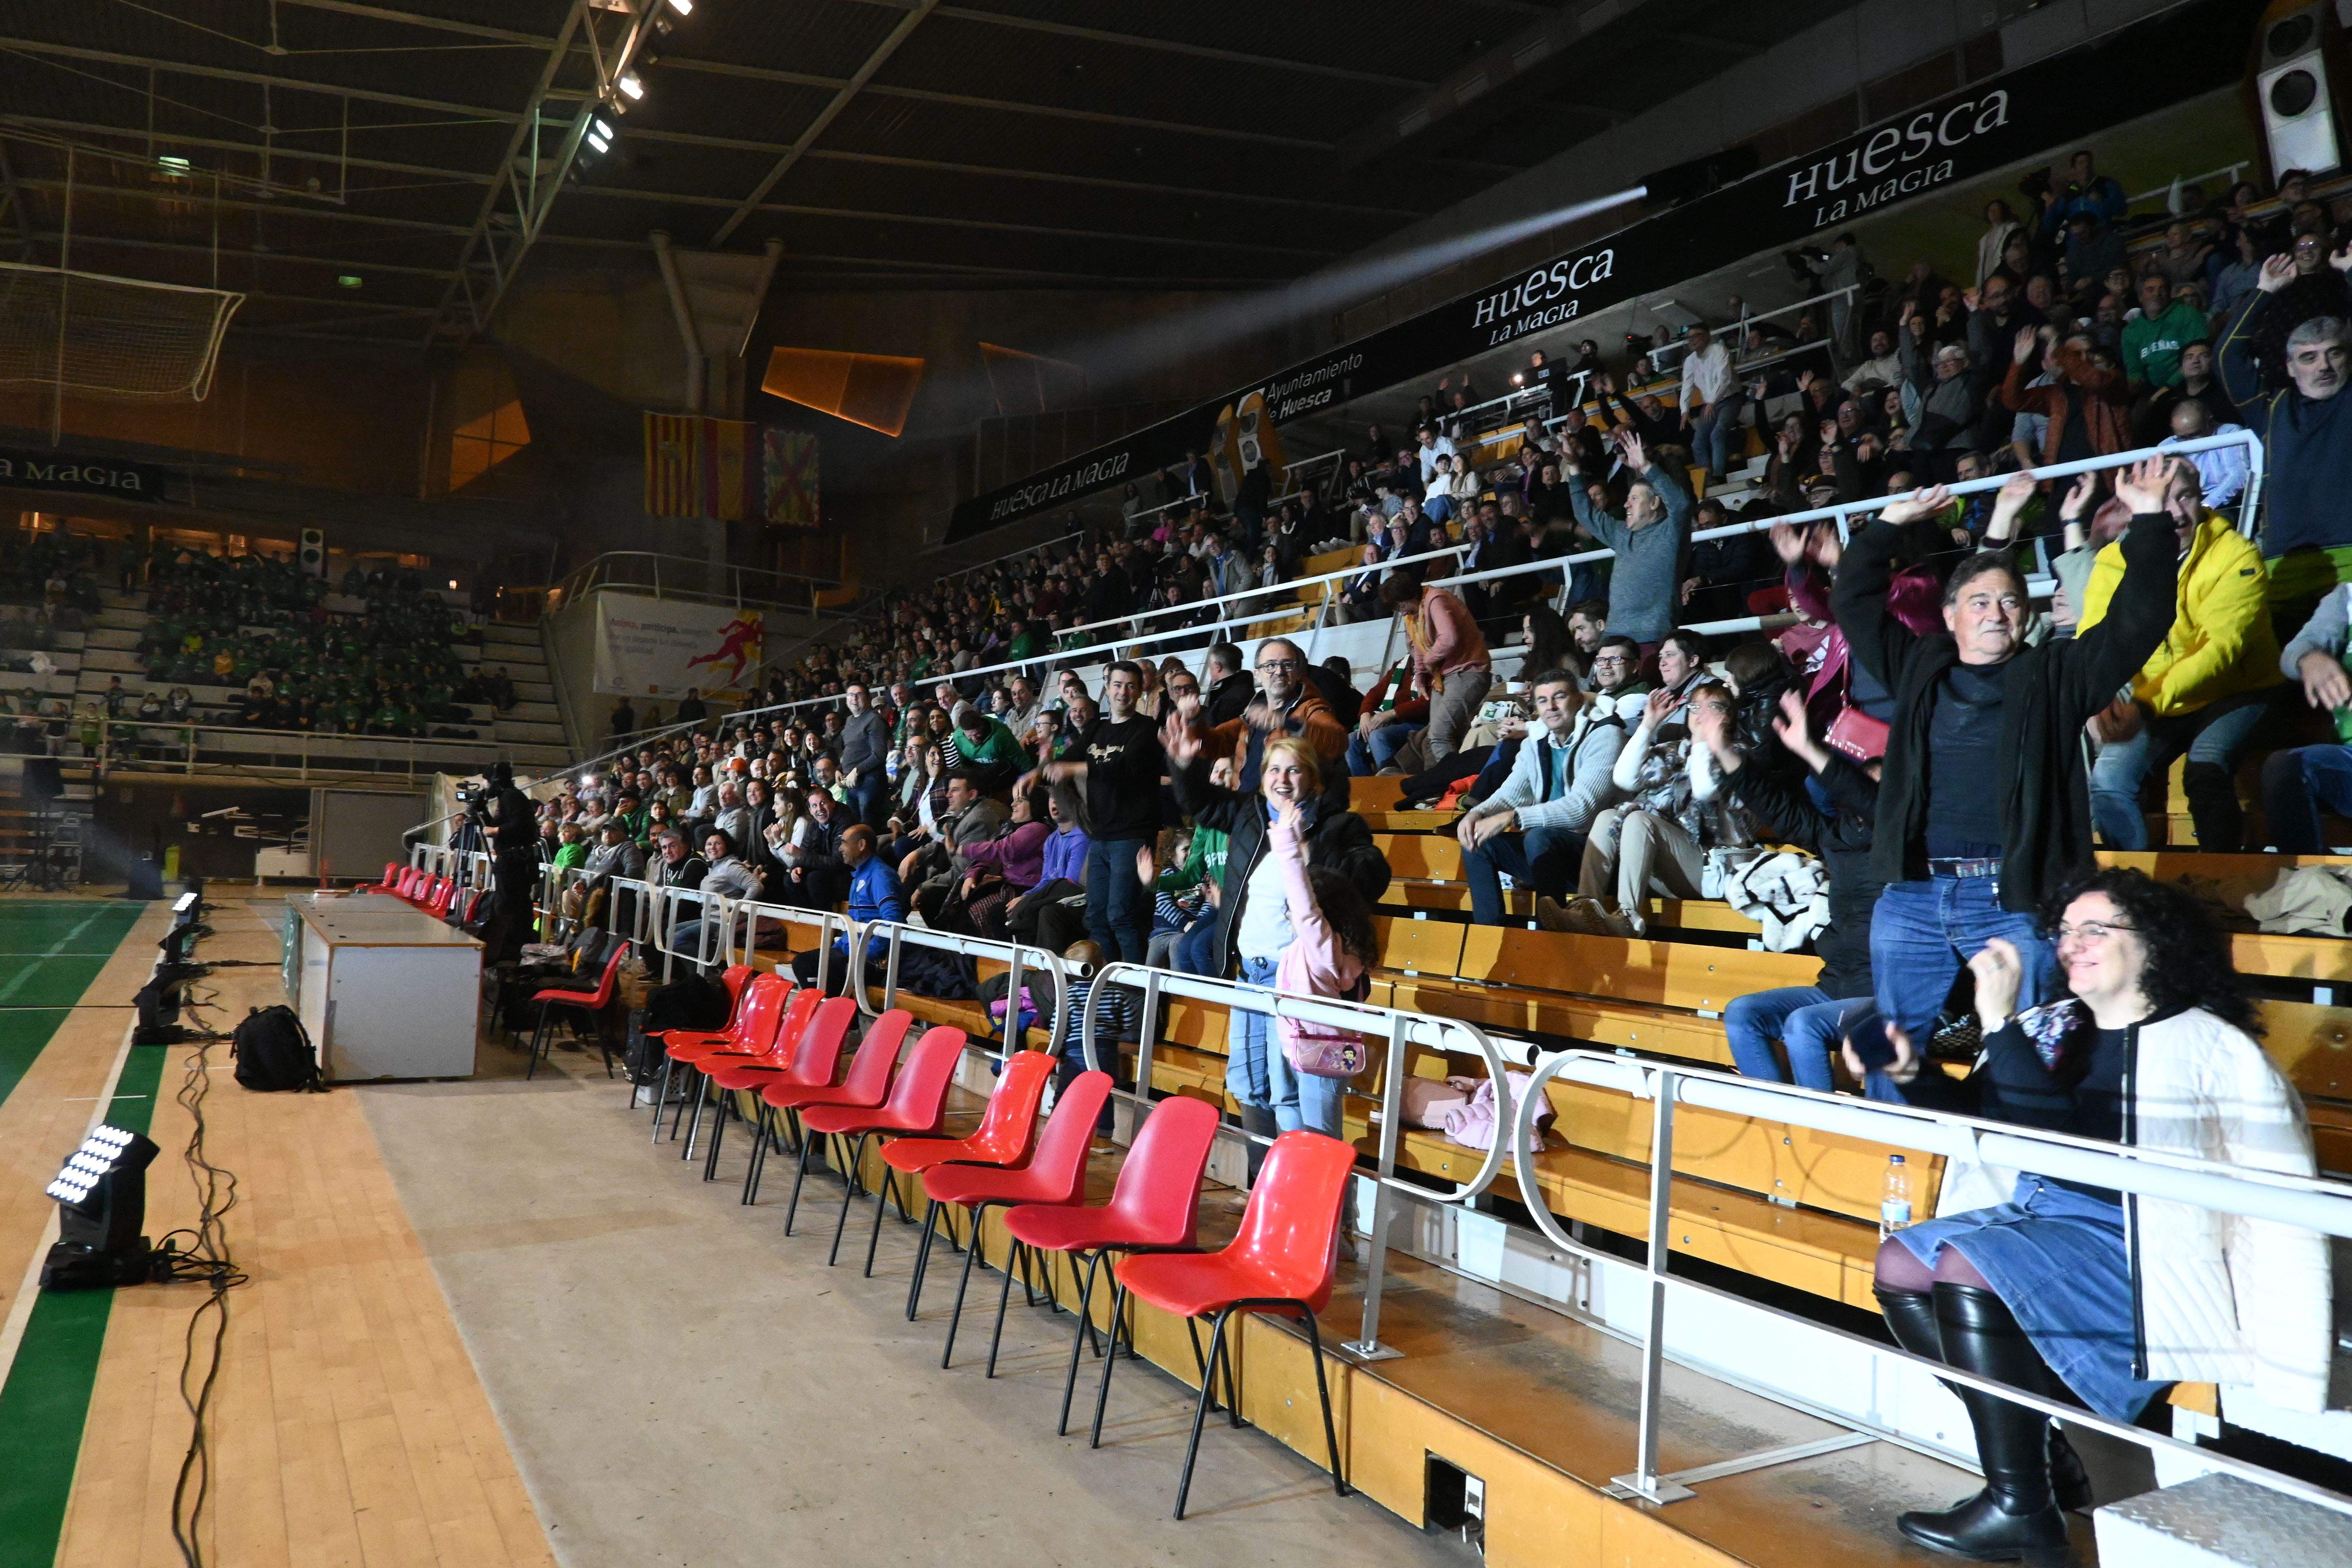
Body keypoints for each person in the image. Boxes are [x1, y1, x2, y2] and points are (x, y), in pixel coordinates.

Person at [1861, 868, 2330, 1565]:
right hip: (2044, 1219)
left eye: (2093, 929)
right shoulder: (2055, 1027)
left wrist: (1994, 1020)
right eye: (2064, 931)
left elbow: (2279, 1198)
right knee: (1899, 1261)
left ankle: (2018, 1507)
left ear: (2153, 945)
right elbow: (1993, 1122)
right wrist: (1911, 1075)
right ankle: (2039, 1458)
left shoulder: (2212, 1047)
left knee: (1965, 1265)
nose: (2070, 944)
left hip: (2147, 1246)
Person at [1831, 463, 2180, 1053]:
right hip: (1912, 895)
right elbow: (1853, 596)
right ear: (1949, 616)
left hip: (2011, 900)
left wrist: (2149, 520)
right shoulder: (1918, 667)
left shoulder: (2055, 676)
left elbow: (2138, 621)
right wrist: (1889, 522)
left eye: (2010, 602)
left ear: (2027, 614)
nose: (1996, 614)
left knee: (2028, 1053)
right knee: (1892, 1055)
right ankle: (1909, 1151)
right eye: (1980, 602)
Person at [1165, 727, 1386, 1166]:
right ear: (1262, 776)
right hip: (1249, 973)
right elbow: (1200, 804)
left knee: (1289, 1092)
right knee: (1249, 1083)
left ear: (1315, 781)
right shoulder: (1250, 814)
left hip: (1296, 982)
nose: (1283, 779)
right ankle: (1259, 1183)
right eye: (1275, 769)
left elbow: (1371, 875)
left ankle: (1297, 1190)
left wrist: (1306, 848)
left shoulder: (1338, 824)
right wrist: (1184, 764)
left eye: (1296, 770)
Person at [2079, 462, 2279, 851]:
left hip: (2235, 691)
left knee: (2204, 771)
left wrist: (2145, 704)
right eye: (2160, 499)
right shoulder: (2112, 562)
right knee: (2107, 782)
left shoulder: (2237, 556)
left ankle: (2222, 884)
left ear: (2202, 498)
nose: (2174, 511)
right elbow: (2092, 639)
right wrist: (2097, 699)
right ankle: (2132, 890)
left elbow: (2221, 650)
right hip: (2156, 700)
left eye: (2184, 496)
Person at [2219, 258, 2352, 612]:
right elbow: (2227, 357)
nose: (2323, 366)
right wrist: (2264, 292)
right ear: (2290, 367)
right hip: (2285, 567)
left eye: (2333, 354)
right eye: (2309, 358)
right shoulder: (2272, 410)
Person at [1456, 670, 1625, 927]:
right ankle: (1489, 934)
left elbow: (1583, 808)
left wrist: (1514, 817)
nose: (1551, 707)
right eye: (1543, 701)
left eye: (1560, 697)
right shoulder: (1536, 741)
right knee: (1477, 840)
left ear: (1579, 701)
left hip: (1598, 857)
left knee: (1538, 835)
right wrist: (1477, 813)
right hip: (1551, 857)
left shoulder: (1605, 735)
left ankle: (1551, 932)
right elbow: (1513, 793)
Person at [1018, 661, 1161, 964]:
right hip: (1101, 835)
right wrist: (1036, 773)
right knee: (1096, 916)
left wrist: (1071, 768)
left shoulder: (1146, 728)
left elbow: (1121, 768)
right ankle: (1104, 983)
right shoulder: (1097, 728)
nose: (1123, 692)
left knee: (1121, 916)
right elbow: (1065, 759)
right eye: (1118, 685)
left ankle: (1137, 990)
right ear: (1107, 689)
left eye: (1131, 686)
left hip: (1132, 835)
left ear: (1139, 692)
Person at [1265, 803, 1381, 1140]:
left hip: (1322, 1056)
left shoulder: (1325, 947)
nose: (1289, 914)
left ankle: (1328, 1195)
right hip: (1297, 1049)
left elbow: (1303, 904)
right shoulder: (1316, 948)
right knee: (1293, 1131)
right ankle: (1295, 1193)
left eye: (1293, 909)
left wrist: (1287, 844)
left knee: (1321, 1143)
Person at [1564, 428, 1690, 648]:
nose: (1626, 504)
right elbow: (1586, 514)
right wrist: (1574, 469)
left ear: (1654, 504)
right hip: (1614, 638)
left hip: (1652, 637)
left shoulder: (1671, 531)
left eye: (1634, 499)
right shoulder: (1622, 533)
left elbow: (1681, 504)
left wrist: (1647, 468)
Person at [1379, 574, 1490, 764]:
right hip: (1444, 677)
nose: (1402, 612)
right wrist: (1420, 676)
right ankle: (1440, 784)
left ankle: (1453, 786)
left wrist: (1430, 661)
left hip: (1469, 672)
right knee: (1434, 738)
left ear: (1409, 596)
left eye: (1401, 605)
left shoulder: (1436, 600)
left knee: (1439, 736)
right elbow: (1419, 646)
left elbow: (1449, 639)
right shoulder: (1415, 616)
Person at [790, 825, 903, 991]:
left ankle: (840, 1013)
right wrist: (840, 947)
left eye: (844, 842)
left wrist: (864, 953)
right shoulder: (858, 877)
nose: (840, 848)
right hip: (852, 951)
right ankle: (836, 1012)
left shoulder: (880, 875)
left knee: (808, 965)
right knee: (804, 963)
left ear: (862, 845)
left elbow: (894, 922)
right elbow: (854, 921)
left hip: (873, 959)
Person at [1678, 324, 1743, 483]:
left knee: (1717, 434)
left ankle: (1719, 475)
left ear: (1707, 336)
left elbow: (1725, 379)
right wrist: (1684, 411)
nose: (1692, 341)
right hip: (1710, 404)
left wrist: (1713, 402)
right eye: (1689, 338)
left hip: (1730, 399)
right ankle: (1706, 478)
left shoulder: (1719, 351)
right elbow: (1687, 386)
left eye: (1696, 336)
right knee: (1697, 442)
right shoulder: (1690, 361)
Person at [837, 682, 889, 826]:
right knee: (856, 828)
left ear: (867, 698)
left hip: (869, 782)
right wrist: (839, 769)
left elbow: (879, 754)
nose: (854, 698)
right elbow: (849, 750)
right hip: (852, 783)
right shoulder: (849, 721)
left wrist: (857, 770)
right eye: (850, 695)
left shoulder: (874, 719)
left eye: (858, 695)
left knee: (868, 828)